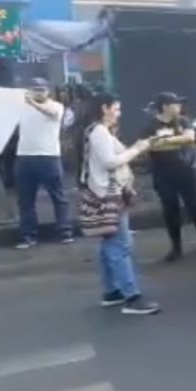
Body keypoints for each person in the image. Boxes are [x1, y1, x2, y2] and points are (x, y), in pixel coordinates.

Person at [77, 92, 161, 315]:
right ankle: (131, 297)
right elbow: (111, 161)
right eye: (116, 108)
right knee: (120, 245)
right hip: (109, 194)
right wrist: (138, 149)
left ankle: (111, 291)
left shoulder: (98, 131)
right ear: (105, 108)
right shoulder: (99, 132)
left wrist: (141, 145)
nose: (119, 113)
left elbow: (119, 153)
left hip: (104, 193)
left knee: (109, 244)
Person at [140, 92, 196, 261]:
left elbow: (189, 138)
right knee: (170, 209)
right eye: (175, 104)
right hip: (163, 172)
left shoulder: (183, 121)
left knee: (194, 205)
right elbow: (148, 145)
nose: (179, 107)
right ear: (165, 106)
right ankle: (176, 247)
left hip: (185, 170)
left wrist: (165, 141)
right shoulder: (150, 125)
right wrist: (175, 141)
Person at [14, 78, 74, 248]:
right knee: (25, 200)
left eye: (41, 89)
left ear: (48, 91)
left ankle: (65, 232)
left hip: (49, 156)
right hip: (25, 156)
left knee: (59, 197)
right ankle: (28, 236)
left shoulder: (56, 106)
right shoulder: (22, 108)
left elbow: (50, 113)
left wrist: (32, 102)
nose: (38, 92)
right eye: (34, 89)